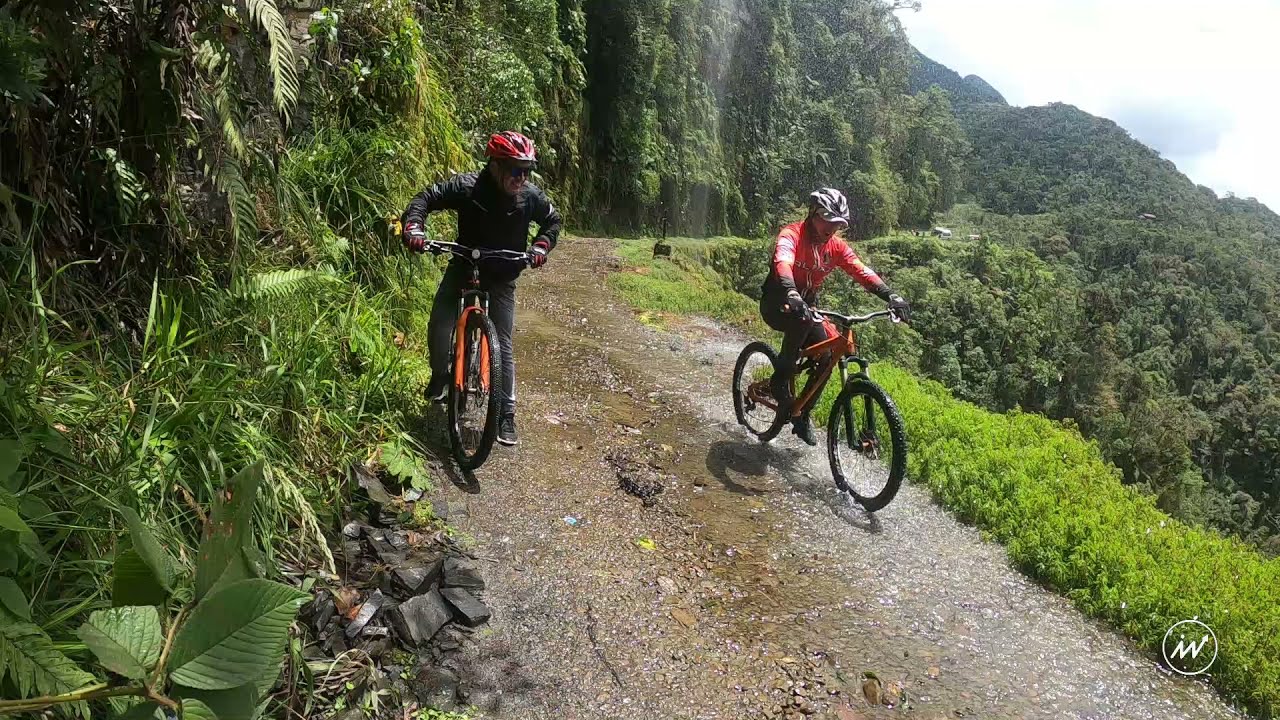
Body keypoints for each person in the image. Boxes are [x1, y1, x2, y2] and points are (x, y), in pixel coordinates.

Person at [400, 131, 562, 447]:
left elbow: (553, 222)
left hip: (502, 274)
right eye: (515, 169)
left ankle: (505, 414)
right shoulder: (467, 187)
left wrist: (542, 246)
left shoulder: (530, 196)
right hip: (464, 264)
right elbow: (426, 198)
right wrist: (415, 226)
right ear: (495, 166)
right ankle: (440, 377)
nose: (522, 177)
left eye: (526, 170)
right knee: (440, 322)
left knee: (502, 340)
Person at [759, 188, 910, 445]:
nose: (832, 227)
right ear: (813, 214)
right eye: (827, 220)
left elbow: (860, 270)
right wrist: (791, 293)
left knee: (828, 355)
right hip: (779, 302)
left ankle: (802, 414)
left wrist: (890, 296)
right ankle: (779, 381)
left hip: (807, 306)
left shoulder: (836, 247)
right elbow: (782, 262)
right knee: (803, 320)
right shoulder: (792, 234)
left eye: (838, 223)